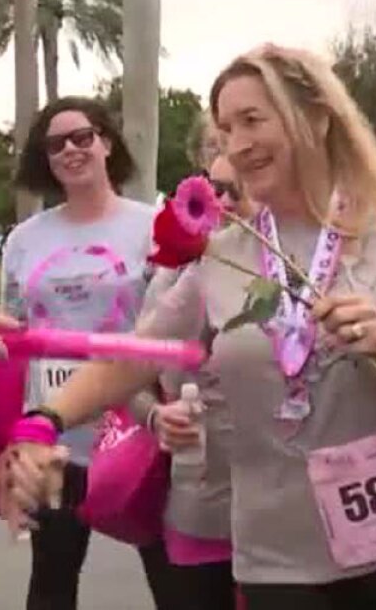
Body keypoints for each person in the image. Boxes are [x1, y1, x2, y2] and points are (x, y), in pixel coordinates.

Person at [0, 44, 376, 610]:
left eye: (253, 120)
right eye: (226, 128)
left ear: (316, 115)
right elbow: (133, 357)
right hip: (273, 559)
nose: (236, 145)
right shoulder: (222, 254)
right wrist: (42, 422)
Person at [2, 96, 179, 609]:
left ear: (106, 142)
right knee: (51, 584)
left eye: (83, 137)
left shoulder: (154, 227)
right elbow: (18, 335)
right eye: (55, 144)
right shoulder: (24, 240)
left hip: (139, 432)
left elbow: (175, 321)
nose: (71, 151)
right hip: (57, 442)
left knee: (171, 581)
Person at [129, 152, 255, 609]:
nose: (222, 203)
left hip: (291, 518)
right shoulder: (181, 275)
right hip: (202, 505)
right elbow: (128, 372)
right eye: (212, 189)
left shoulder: (300, 266)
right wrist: (155, 417)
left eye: (234, 190)